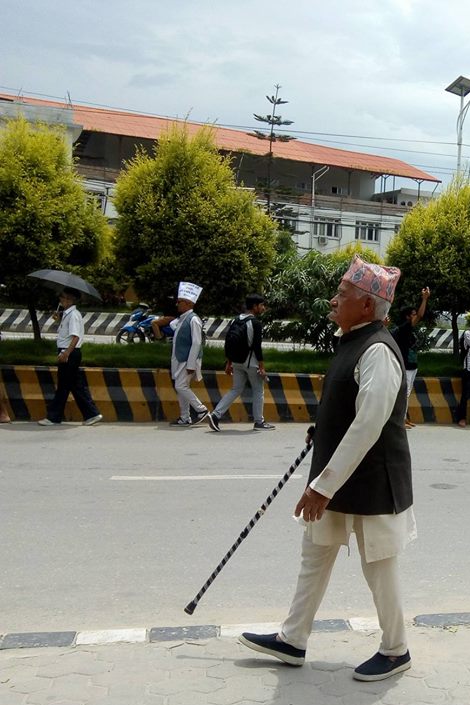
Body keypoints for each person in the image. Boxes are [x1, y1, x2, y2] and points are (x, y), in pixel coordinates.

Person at [239, 256, 415, 682]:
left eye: (343, 294)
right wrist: (324, 428)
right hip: (338, 478)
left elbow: (370, 422)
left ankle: (396, 650)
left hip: (371, 481)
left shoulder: (378, 351)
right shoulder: (351, 339)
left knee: (379, 565)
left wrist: (322, 486)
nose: (334, 300)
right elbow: (350, 407)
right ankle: (292, 638)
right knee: (315, 553)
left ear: (369, 306)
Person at [207, 294, 274, 432]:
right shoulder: (255, 323)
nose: (263, 308)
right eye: (261, 305)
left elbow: (229, 343)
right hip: (251, 362)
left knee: (236, 389)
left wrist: (229, 362)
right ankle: (259, 422)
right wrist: (262, 366)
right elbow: (256, 346)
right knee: (258, 390)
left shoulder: (236, 320)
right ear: (255, 306)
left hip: (236, 361)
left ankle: (215, 415)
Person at [37, 288, 103, 427]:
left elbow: (75, 336)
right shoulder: (67, 314)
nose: (62, 300)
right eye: (62, 297)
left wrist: (66, 353)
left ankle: (54, 417)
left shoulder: (73, 315)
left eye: (66, 298)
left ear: (71, 300)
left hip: (69, 352)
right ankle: (92, 414)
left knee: (63, 386)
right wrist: (59, 319)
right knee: (74, 385)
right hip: (68, 352)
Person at [169, 282, 208, 427]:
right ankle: (185, 417)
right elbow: (174, 325)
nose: (177, 304)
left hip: (187, 361)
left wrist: (191, 364)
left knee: (181, 387)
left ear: (187, 303)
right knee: (181, 388)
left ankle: (201, 410)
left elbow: (197, 343)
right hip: (180, 359)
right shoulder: (183, 318)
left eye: (179, 302)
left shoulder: (193, 319)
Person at [391, 287, 430, 429]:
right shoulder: (404, 328)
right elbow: (420, 315)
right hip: (406, 365)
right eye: (412, 314)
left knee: (407, 394)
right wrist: (424, 299)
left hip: (413, 365)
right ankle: (400, 420)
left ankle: (404, 418)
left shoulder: (408, 330)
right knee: (403, 394)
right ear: (408, 317)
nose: (416, 316)